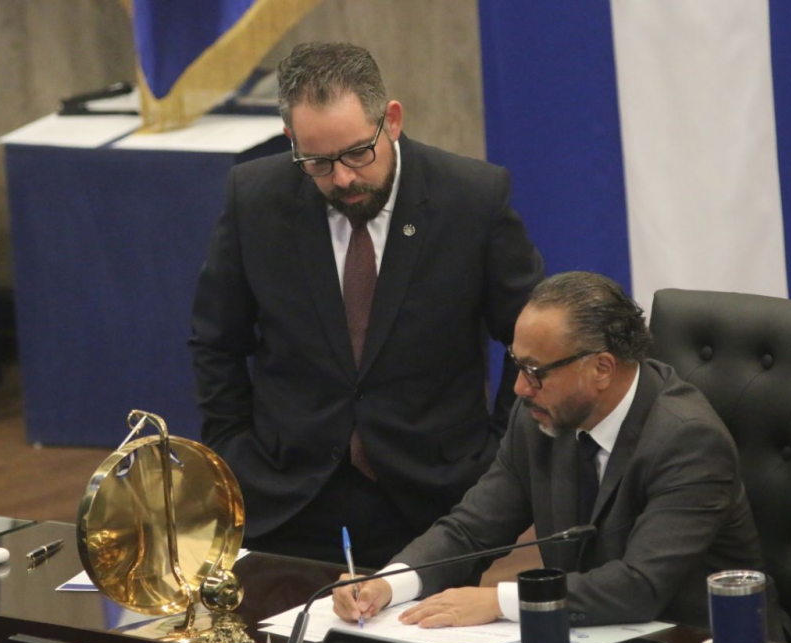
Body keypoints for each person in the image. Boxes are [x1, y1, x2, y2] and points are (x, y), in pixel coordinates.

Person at [189, 42, 544, 568]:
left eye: (358, 152)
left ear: (392, 120)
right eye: (317, 161)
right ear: (291, 141)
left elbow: (535, 342)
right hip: (287, 498)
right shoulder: (254, 197)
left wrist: (495, 463)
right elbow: (216, 340)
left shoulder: (472, 198)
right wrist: (235, 450)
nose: (343, 178)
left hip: (435, 502)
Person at [333, 271, 787, 639]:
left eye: (535, 372)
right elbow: (472, 530)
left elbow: (641, 586)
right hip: (590, 639)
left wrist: (499, 601)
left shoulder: (688, 441)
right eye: (517, 365)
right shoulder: (540, 416)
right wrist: (387, 585)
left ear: (601, 368)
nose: (519, 388)